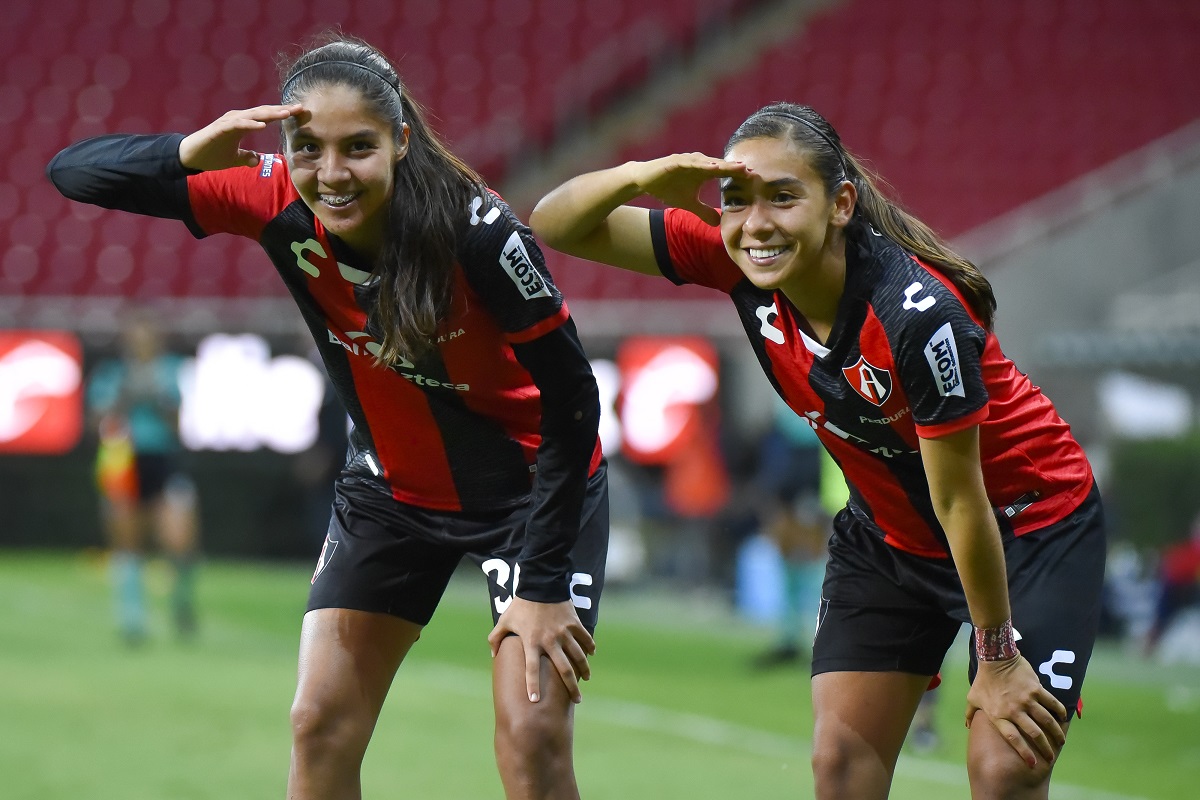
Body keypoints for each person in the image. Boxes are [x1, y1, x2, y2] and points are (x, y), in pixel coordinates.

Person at [49, 33, 608, 800]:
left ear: (402, 140)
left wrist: (542, 583)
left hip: (529, 499)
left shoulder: (479, 235)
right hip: (390, 497)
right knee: (317, 724)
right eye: (307, 147)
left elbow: (575, 401)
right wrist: (186, 151)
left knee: (533, 739)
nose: (331, 174)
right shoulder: (272, 196)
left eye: (358, 148)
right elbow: (72, 172)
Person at [529, 102, 1106, 799]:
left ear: (839, 205)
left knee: (1005, 768)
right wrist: (645, 173)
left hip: (1028, 530)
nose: (756, 223)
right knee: (839, 765)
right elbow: (554, 223)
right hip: (892, 538)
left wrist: (996, 653)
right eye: (737, 199)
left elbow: (959, 497)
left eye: (782, 197)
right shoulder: (735, 257)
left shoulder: (917, 318)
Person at [87, 310, 199, 645]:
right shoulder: (111, 374)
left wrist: (159, 398)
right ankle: (132, 618)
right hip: (123, 462)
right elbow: (97, 423)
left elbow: (180, 425)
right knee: (126, 541)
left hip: (163, 461)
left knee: (179, 541)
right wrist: (124, 396)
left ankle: (182, 602)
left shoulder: (172, 371)